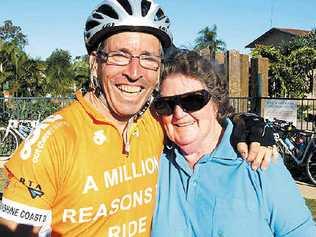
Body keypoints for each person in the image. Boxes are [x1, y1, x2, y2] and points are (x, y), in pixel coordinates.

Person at [0, 1, 274, 236]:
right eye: (120, 56)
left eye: (148, 58)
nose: (134, 72)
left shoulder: (156, 121)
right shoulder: (55, 140)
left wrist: (248, 124)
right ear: (95, 63)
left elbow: (208, 121)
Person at [151, 49, 316, 237]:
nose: (179, 114)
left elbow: (299, 231)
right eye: (166, 104)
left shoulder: (259, 161)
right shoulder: (156, 165)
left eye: (193, 100)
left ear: (216, 103)